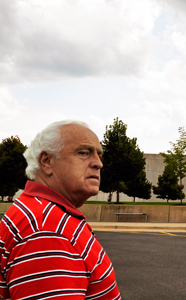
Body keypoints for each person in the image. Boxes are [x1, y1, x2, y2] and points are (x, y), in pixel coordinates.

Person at [0, 120, 121, 299]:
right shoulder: (46, 230)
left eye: (99, 155)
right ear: (47, 161)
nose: (98, 163)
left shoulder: (45, 214)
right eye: (84, 152)